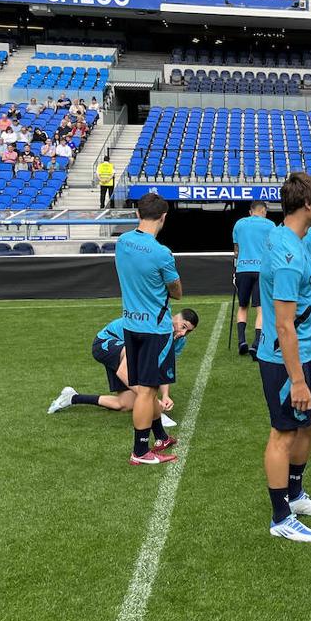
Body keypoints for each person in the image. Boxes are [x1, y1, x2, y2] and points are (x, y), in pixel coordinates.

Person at [259, 173, 311, 542]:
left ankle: (294, 492)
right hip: (283, 360)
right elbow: (284, 325)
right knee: (283, 432)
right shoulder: (288, 254)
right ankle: (280, 516)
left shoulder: (293, 238)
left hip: (301, 353)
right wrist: (299, 378)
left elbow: (301, 312)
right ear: (307, 203)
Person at [114, 194, 184, 466]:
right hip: (154, 328)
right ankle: (140, 451)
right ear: (164, 217)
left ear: (137, 214)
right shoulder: (161, 252)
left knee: (147, 387)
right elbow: (176, 291)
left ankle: (160, 436)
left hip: (130, 325)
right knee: (147, 390)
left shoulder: (123, 242)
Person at [47, 311, 199, 432]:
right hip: (105, 343)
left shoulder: (179, 341)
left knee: (124, 404)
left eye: (188, 331)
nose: (183, 333)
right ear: (174, 318)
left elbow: (162, 367)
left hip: (123, 353)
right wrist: (152, 401)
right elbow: (123, 373)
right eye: (183, 326)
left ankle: (72, 397)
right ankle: (154, 414)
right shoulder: (156, 327)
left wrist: (165, 395)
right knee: (136, 357)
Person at [232, 202, 274, 357]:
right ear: (263, 211)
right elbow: (273, 248)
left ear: (251, 211)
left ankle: (242, 341)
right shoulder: (270, 225)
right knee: (261, 308)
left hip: (243, 269)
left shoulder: (239, 224)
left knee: (243, 306)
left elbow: (236, 250)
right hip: (262, 270)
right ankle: (256, 344)